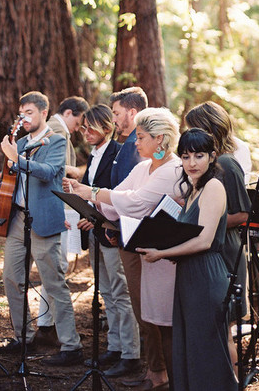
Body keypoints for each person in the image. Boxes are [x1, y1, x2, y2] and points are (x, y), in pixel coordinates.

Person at [65, 106, 181, 391]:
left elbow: (135, 201)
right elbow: (117, 202)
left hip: (162, 254)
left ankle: (170, 376)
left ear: (162, 139)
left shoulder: (173, 169)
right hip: (132, 246)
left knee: (161, 317)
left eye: (141, 137)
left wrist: (91, 192)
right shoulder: (143, 167)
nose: (136, 143)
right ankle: (154, 372)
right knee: (143, 313)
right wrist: (90, 204)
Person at [137, 128, 237, 391]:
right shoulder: (193, 188)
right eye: (185, 156)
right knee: (192, 345)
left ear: (213, 157)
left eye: (199, 156)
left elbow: (204, 240)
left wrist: (162, 253)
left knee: (207, 348)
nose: (191, 163)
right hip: (188, 275)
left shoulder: (214, 187)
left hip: (207, 275)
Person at [0, 91, 83, 366]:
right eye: (21, 114)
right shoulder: (18, 143)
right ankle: (24, 337)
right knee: (11, 278)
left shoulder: (56, 140)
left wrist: (16, 159)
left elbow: (49, 171)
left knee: (54, 284)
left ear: (44, 113)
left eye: (29, 113)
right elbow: (11, 171)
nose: (24, 118)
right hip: (17, 220)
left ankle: (71, 346)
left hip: (42, 219)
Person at [185, 102, 250, 368]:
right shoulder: (207, 164)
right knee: (211, 331)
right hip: (208, 250)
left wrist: (209, 222)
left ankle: (231, 381)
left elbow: (243, 214)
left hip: (226, 254)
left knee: (222, 333)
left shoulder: (226, 164)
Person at [76, 104, 140, 377]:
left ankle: (131, 353)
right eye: (82, 127)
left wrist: (99, 217)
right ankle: (114, 346)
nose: (85, 132)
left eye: (91, 127)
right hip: (93, 231)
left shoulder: (117, 152)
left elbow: (116, 194)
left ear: (106, 127)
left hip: (112, 231)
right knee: (107, 294)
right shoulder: (93, 154)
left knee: (120, 292)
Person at [37, 95, 89, 338]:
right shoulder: (56, 127)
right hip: (55, 202)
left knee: (56, 266)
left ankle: (48, 323)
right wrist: (75, 171)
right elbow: (54, 167)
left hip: (57, 200)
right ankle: (50, 326)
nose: (78, 130)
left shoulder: (57, 128)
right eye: (78, 123)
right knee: (56, 267)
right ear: (68, 113)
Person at [110, 86, 147, 187]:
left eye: (117, 114)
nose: (113, 120)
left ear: (132, 113)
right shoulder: (146, 140)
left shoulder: (133, 144)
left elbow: (124, 192)